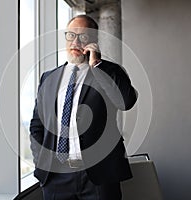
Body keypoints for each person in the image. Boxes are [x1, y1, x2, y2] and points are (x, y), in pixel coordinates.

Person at [30, 15, 137, 200]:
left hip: (98, 176)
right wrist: (41, 161)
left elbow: (125, 102)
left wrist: (97, 65)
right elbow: (37, 125)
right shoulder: (48, 78)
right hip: (56, 177)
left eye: (84, 36)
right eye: (71, 35)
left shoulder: (109, 72)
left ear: (94, 40)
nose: (76, 41)